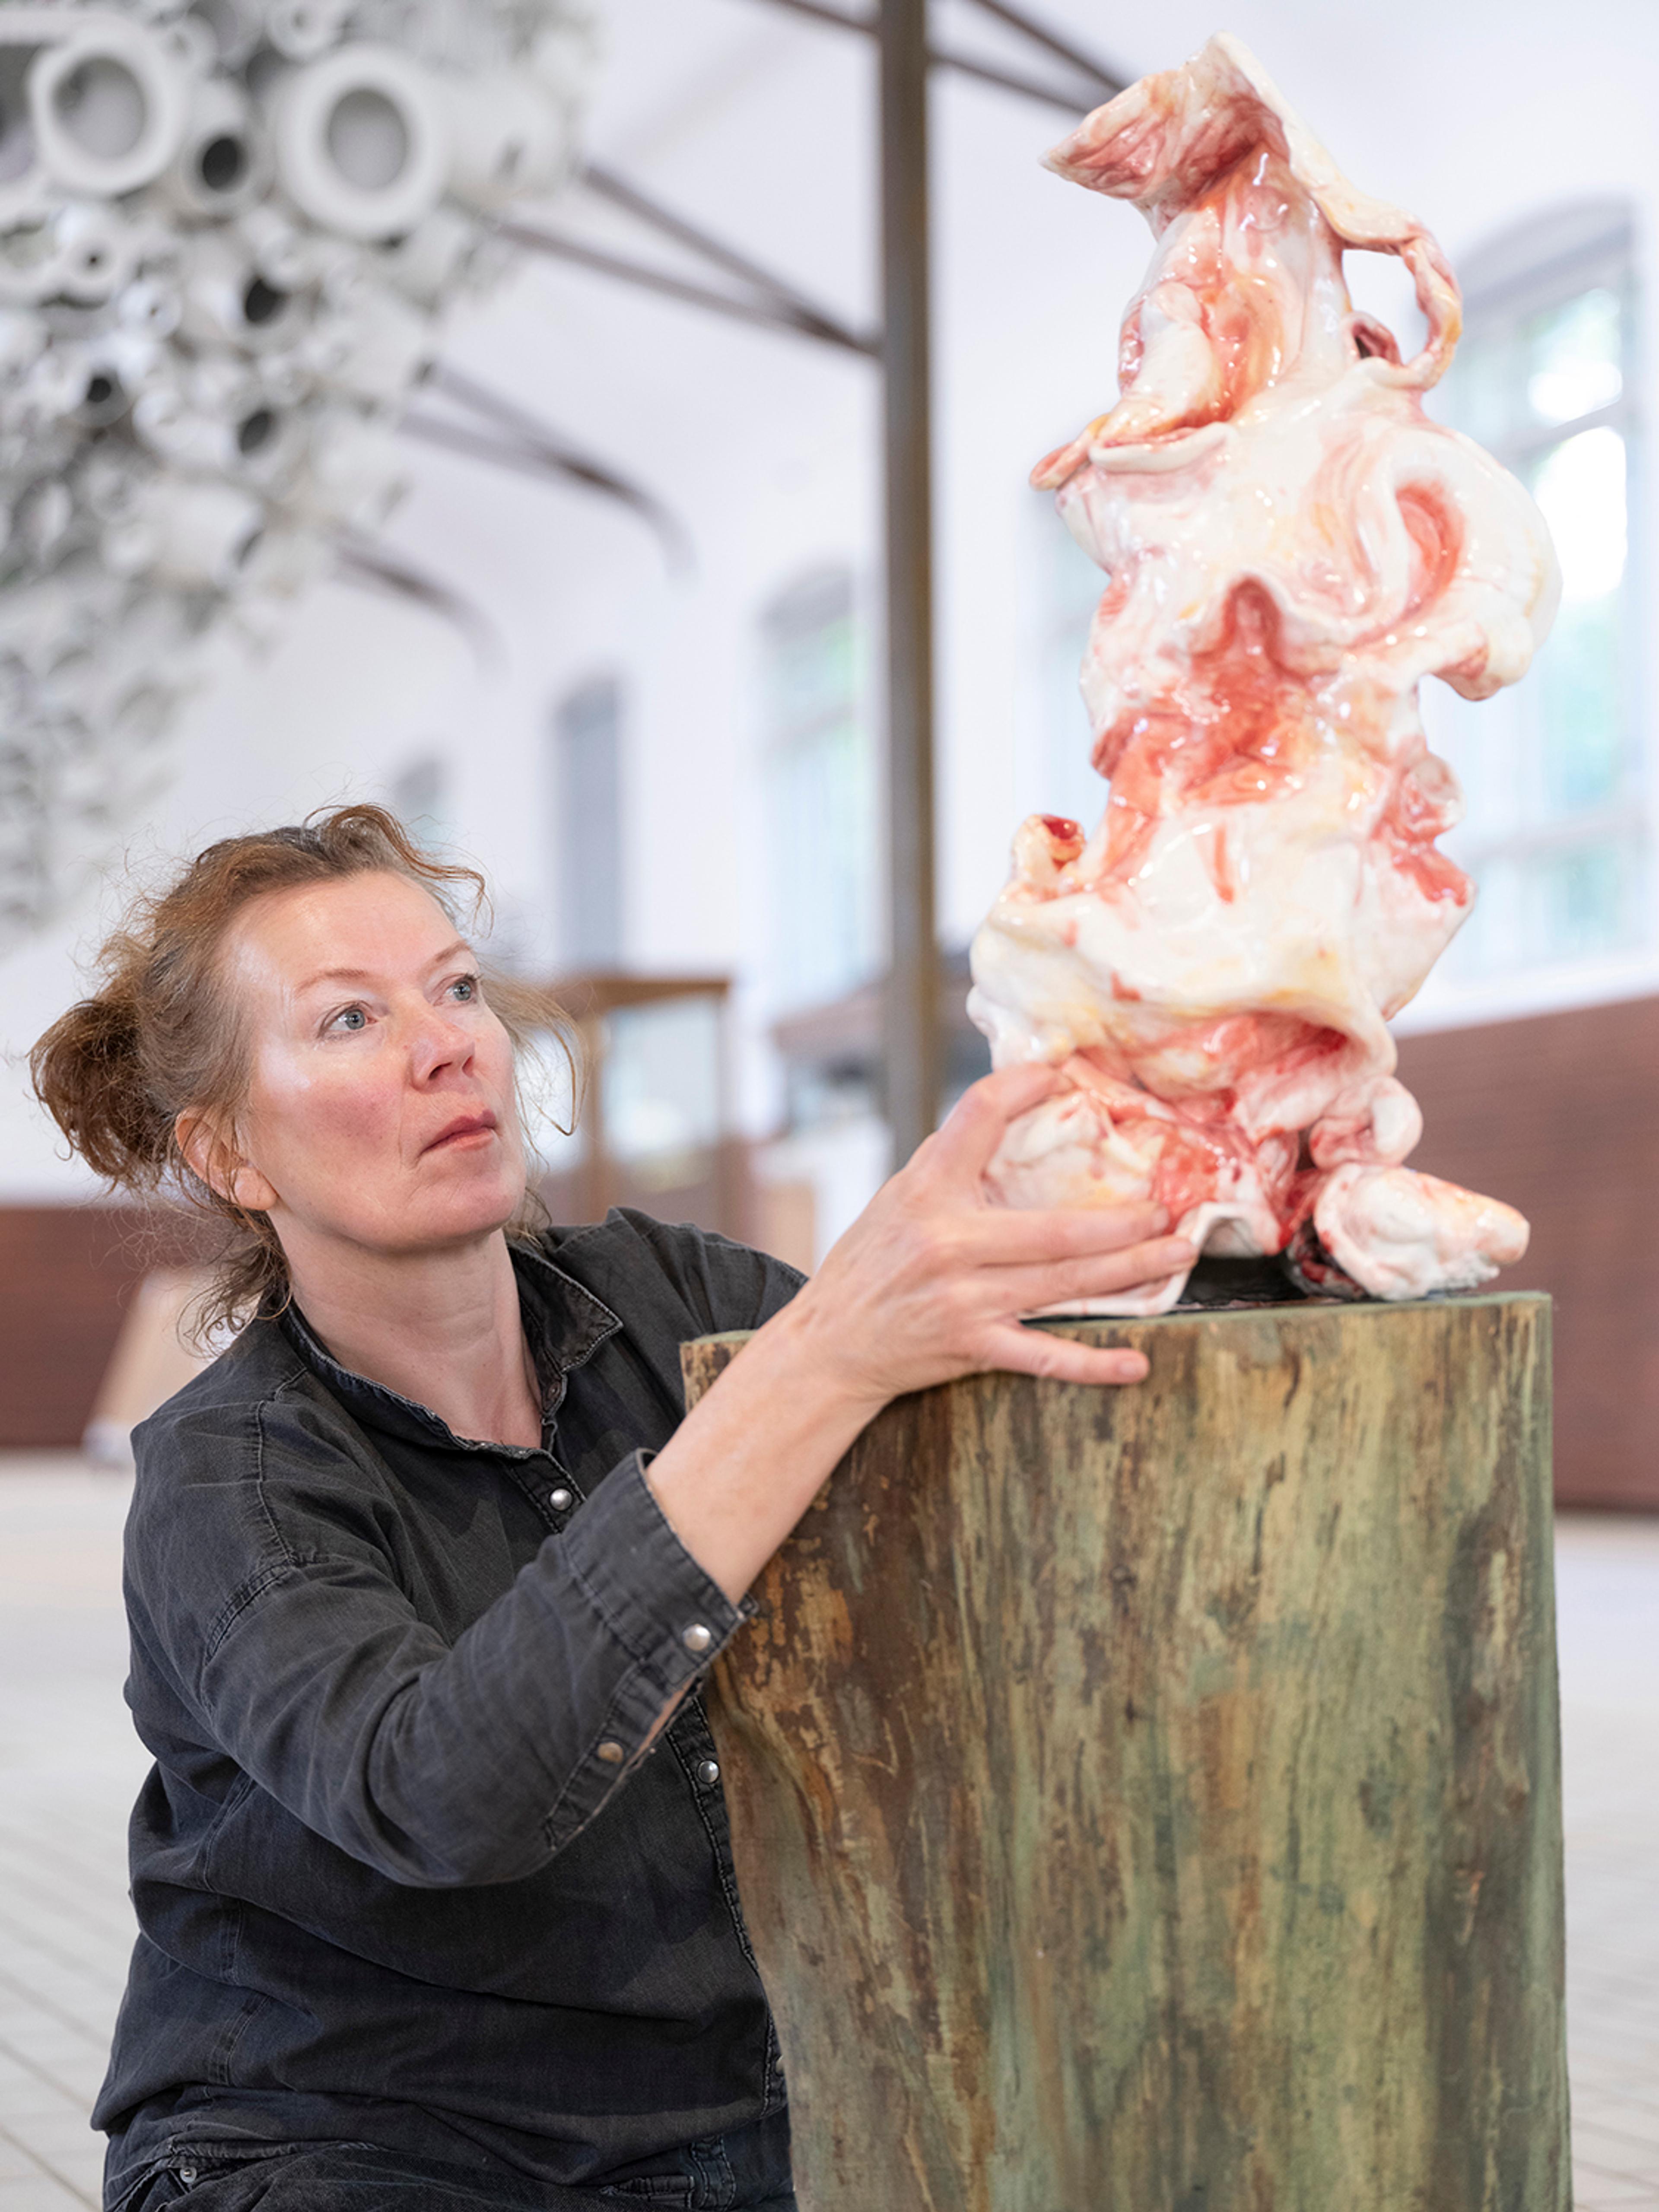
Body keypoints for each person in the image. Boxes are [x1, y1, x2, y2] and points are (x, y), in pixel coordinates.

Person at [31, 807, 1193, 2212]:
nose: (449, 1045)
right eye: (348, 1020)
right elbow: (437, 1794)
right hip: (348, 2148)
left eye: (458, 988)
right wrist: (819, 1363)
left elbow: (1005, 1458)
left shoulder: (677, 1301)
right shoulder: (232, 1480)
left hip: (731, 2142)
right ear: (230, 1155)